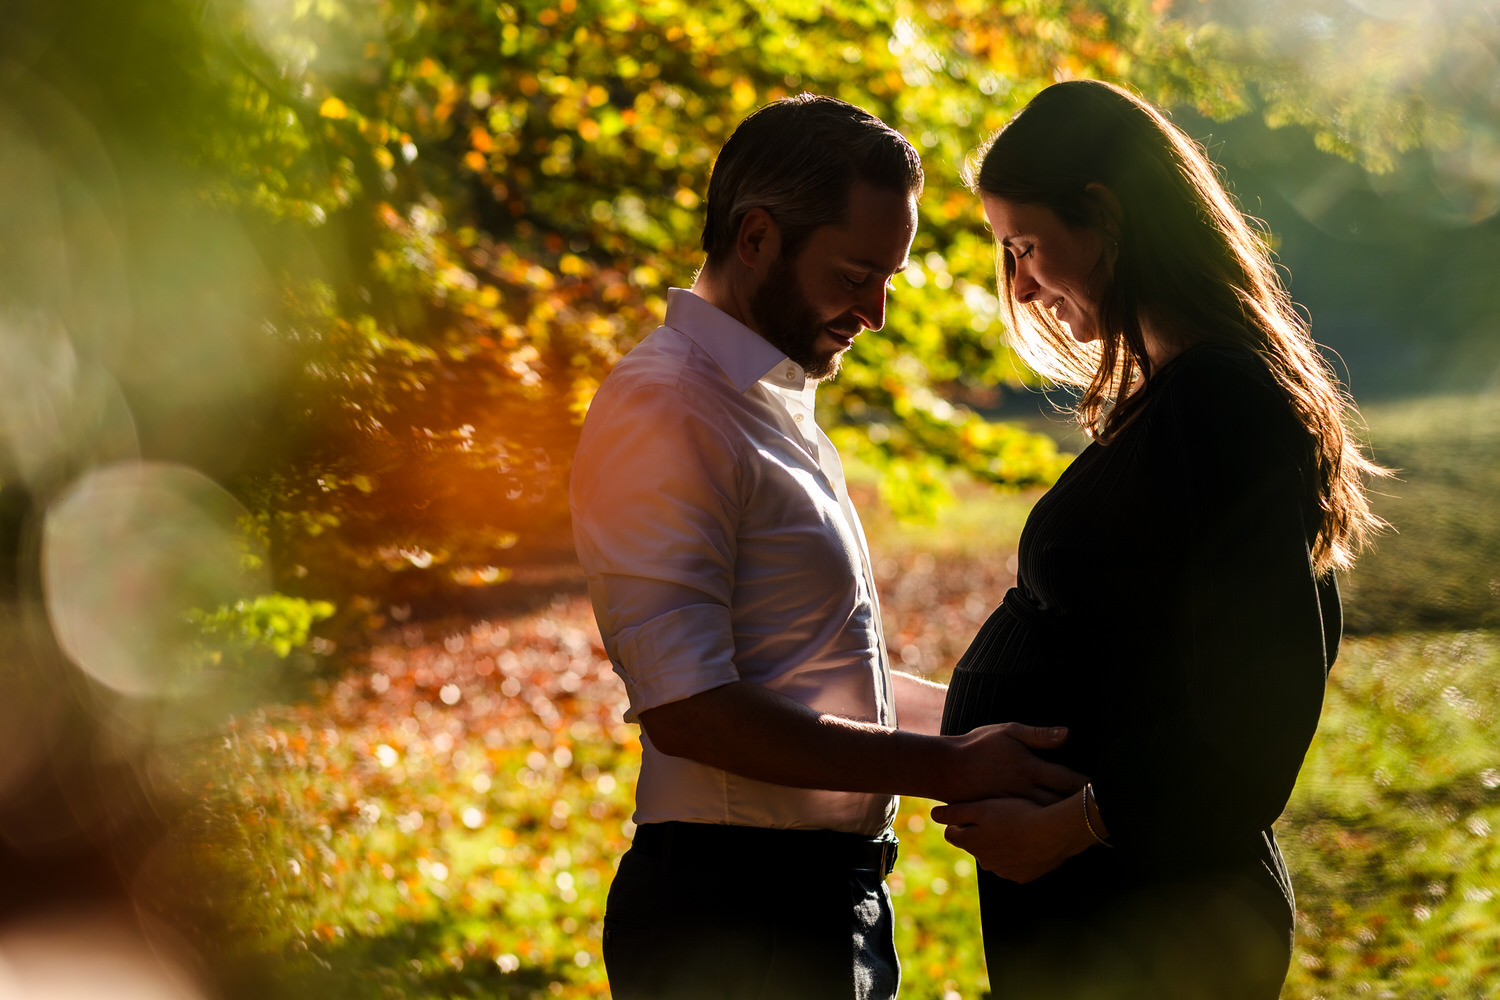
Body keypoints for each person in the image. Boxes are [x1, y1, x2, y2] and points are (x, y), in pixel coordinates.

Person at [570, 94, 1085, 1000]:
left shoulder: (772, 403)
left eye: (889, 278)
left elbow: (811, 675)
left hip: (821, 904)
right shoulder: (666, 406)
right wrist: (944, 767)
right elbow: (686, 706)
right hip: (735, 916)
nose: (877, 313)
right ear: (757, 237)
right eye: (855, 275)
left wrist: (1020, 738)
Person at [932, 80, 1385, 1000]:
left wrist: (1065, 828)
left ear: (1102, 215)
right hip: (1117, 916)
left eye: (1024, 247)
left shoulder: (1222, 405)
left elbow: (1257, 717)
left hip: (1158, 920)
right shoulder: (1174, 405)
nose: (1018, 284)